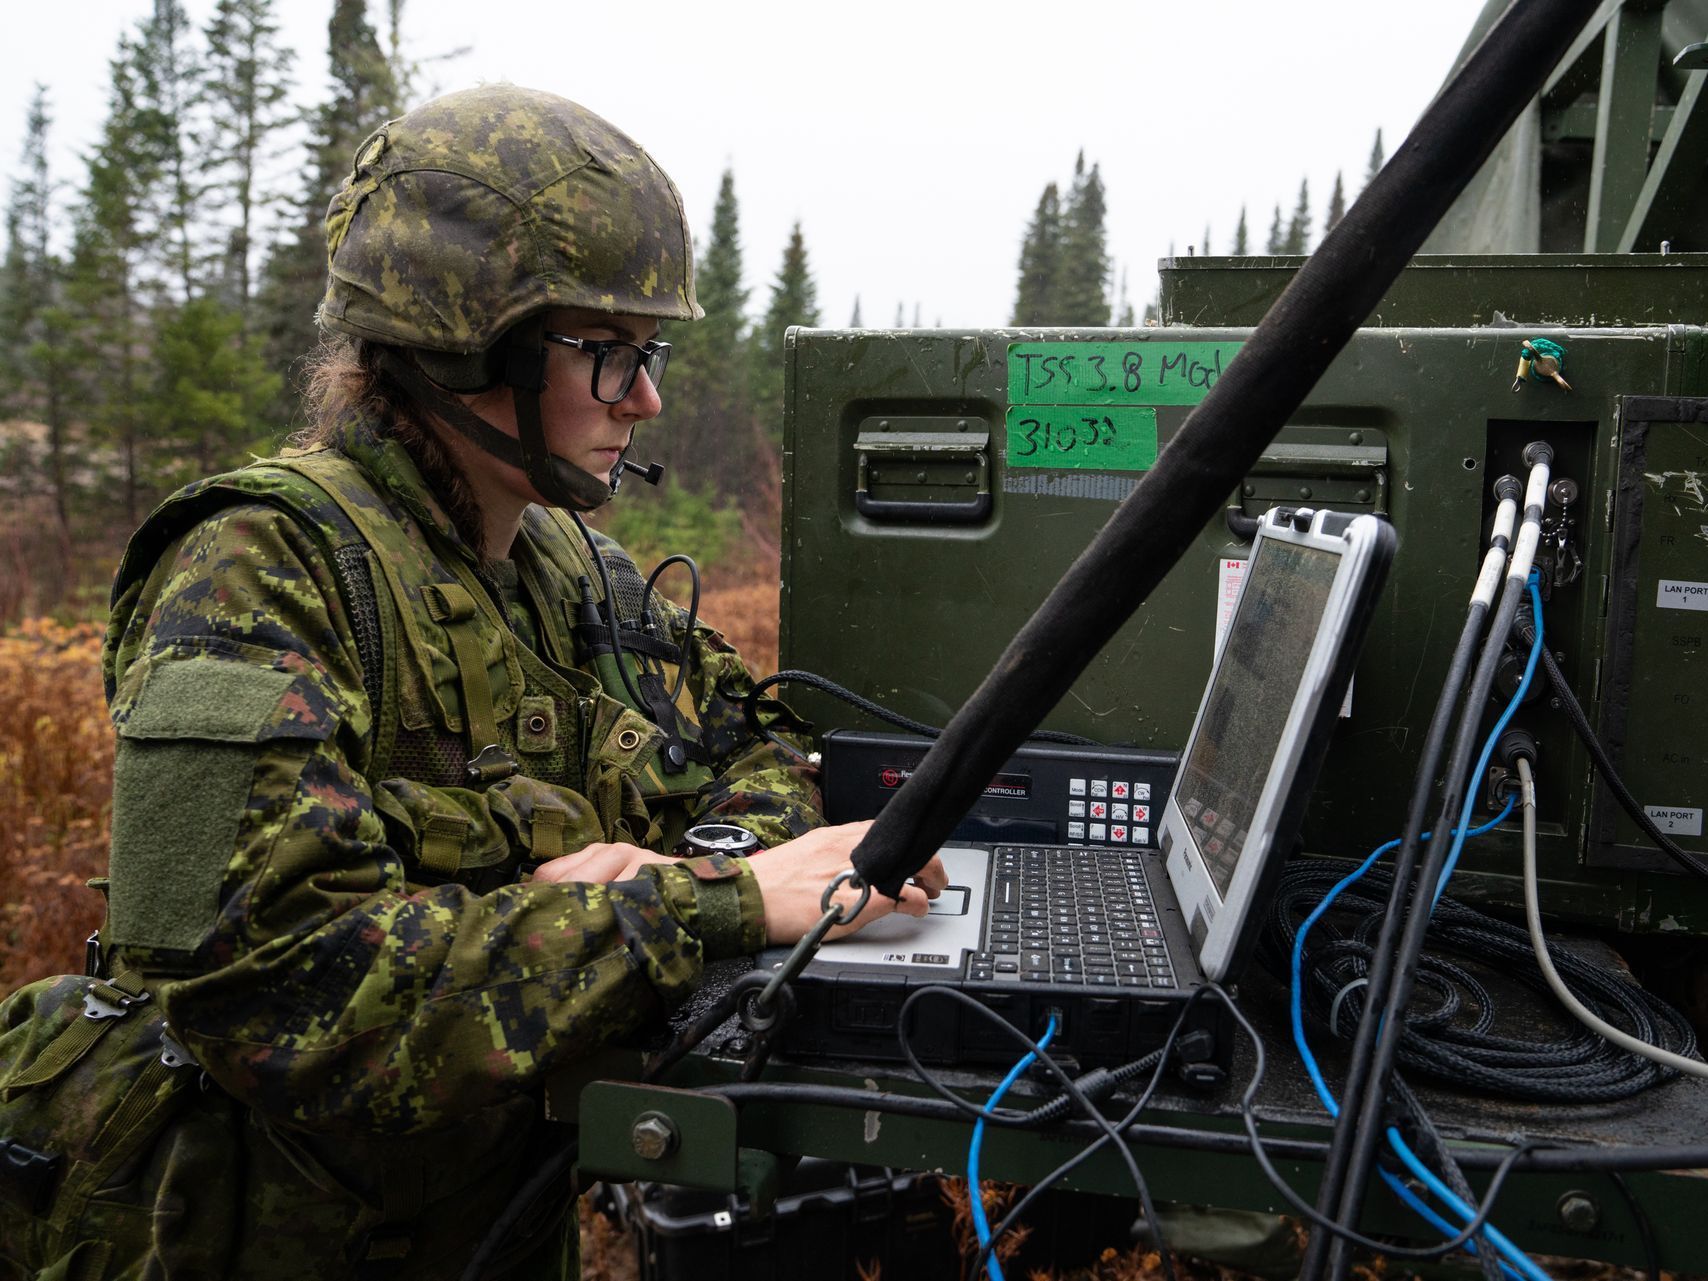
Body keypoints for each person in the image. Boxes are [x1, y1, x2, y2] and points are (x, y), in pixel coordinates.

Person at [71, 84, 944, 1279]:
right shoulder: (255, 570)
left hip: (489, 1226)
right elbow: (269, 999)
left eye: (651, 355)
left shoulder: (568, 560)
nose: (646, 399)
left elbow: (756, 750)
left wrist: (704, 867)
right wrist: (703, 911)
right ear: (465, 343)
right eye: (608, 355)